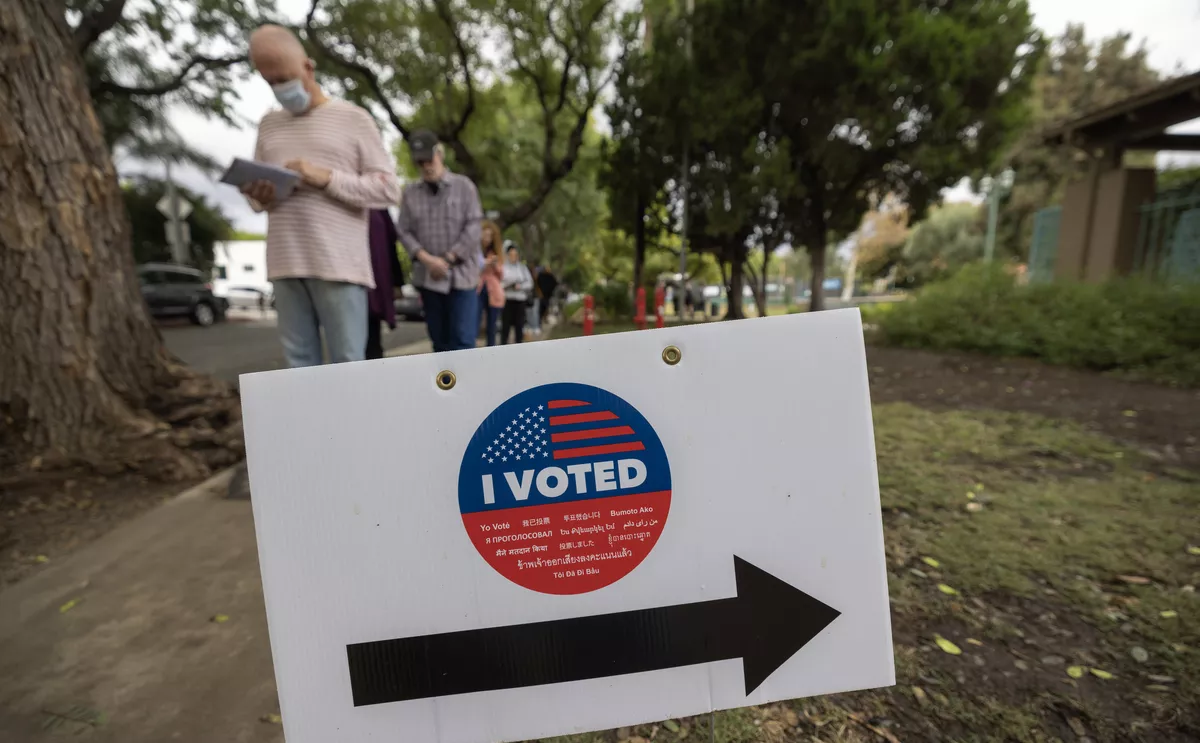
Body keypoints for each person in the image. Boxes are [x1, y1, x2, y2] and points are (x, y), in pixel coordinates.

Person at [241, 25, 399, 367]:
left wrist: (324, 177)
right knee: (298, 366)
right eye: (270, 82)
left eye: (284, 78)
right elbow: (257, 201)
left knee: (348, 365)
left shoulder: (354, 119)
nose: (280, 88)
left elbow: (388, 188)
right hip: (284, 263)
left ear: (308, 68)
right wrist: (260, 195)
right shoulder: (268, 125)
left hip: (339, 264)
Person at [396, 130, 483, 352]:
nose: (426, 166)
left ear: (440, 154)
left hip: (461, 277)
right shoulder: (410, 193)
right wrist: (427, 260)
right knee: (439, 342)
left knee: (463, 340)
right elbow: (404, 231)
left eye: (429, 159)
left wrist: (448, 258)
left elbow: (474, 226)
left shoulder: (464, 187)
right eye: (420, 162)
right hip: (429, 278)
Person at [365, 209, 404, 359]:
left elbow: (390, 244)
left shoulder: (378, 207)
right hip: (344, 280)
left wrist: (397, 282)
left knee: (372, 339)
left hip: (374, 285)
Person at [477, 221, 505, 346]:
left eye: (490, 236)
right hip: (477, 289)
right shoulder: (475, 252)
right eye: (485, 235)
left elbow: (501, 275)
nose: (487, 239)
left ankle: (491, 352)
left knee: (491, 326)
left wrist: (494, 266)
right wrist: (484, 264)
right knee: (473, 322)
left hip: (493, 292)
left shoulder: (495, 254)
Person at [500, 243, 533, 345]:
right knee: (505, 327)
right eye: (511, 255)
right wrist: (508, 284)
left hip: (520, 300)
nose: (513, 257)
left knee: (519, 326)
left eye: (515, 255)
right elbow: (499, 283)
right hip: (508, 299)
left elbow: (530, 283)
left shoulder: (522, 268)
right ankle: (503, 346)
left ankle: (519, 346)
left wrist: (520, 286)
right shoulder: (503, 267)